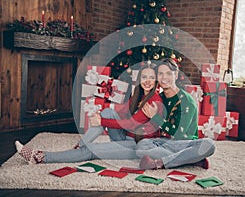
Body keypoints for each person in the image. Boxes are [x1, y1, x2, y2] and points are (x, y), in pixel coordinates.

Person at [15, 63, 163, 164]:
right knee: (108, 111)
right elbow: (122, 110)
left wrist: (101, 122)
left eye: (151, 77)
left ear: (156, 79)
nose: (148, 81)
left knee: (91, 151)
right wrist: (100, 113)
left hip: (135, 146)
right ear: (139, 79)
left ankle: (40, 157)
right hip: (125, 137)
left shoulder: (153, 101)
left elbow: (131, 124)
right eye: (144, 77)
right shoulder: (138, 94)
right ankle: (80, 146)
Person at [136, 58, 215, 170]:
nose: (164, 77)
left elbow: (179, 135)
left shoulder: (187, 101)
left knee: (208, 144)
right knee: (141, 146)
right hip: (163, 142)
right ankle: (190, 160)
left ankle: (160, 162)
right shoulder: (160, 98)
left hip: (183, 143)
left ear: (176, 75)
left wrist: (156, 117)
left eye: (169, 73)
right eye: (161, 74)